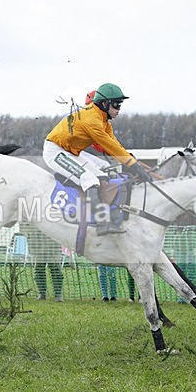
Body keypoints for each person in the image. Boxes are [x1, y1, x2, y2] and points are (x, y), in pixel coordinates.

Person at [43, 83, 151, 236]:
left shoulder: (104, 121)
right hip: (55, 151)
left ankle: (112, 219)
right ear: (104, 103)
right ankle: (101, 224)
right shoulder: (92, 120)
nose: (119, 109)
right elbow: (109, 146)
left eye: (120, 105)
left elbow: (113, 144)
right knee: (90, 179)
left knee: (102, 176)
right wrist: (133, 166)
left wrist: (130, 159)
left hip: (72, 152)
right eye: (116, 105)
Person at [19, 222, 65, 302]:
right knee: (39, 269)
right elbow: (23, 224)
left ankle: (58, 294)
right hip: (37, 242)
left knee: (55, 268)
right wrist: (29, 233)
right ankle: (42, 294)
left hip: (53, 243)